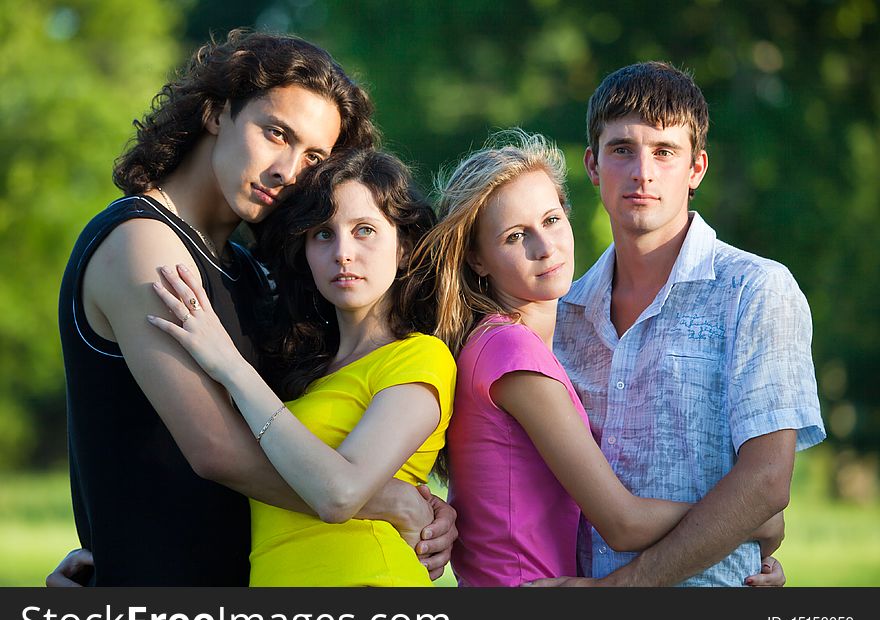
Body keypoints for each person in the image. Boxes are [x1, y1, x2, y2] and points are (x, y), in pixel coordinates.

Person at [53, 30, 455, 586]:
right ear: (217, 113)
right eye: (275, 133)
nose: (289, 170)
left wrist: (421, 502)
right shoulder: (142, 242)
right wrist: (386, 500)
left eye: (313, 155)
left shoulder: (248, 270)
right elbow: (216, 448)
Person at [415, 129, 783, 587]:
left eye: (551, 220)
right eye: (515, 236)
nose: (544, 247)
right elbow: (621, 522)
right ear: (477, 259)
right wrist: (749, 523)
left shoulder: (517, 344)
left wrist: (735, 555)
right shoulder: (511, 352)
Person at [529, 61, 825, 586]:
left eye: (665, 152)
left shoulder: (754, 290)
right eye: (622, 149)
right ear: (593, 165)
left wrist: (619, 592)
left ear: (697, 169)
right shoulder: (562, 314)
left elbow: (766, 483)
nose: (643, 171)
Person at [148, 148, 456, 586]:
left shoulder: (419, 356)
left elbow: (340, 494)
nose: (343, 253)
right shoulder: (296, 370)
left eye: (364, 230)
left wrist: (229, 366)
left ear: (404, 247)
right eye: (323, 234)